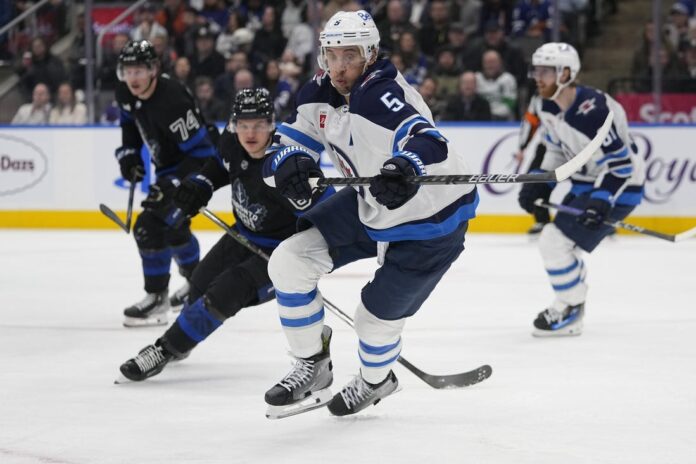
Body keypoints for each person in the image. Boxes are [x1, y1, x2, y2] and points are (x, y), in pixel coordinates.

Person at [261, 10, 479, 418]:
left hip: (430, 220)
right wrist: (288, 161)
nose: (339, 67)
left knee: (373, 322)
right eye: (332, 55)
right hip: (372, 201)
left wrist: (406, 165)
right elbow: (284, 146)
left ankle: (377, 381)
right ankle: (312, 364)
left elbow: (429, 140)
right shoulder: (318, 92)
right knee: (289, 261)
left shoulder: (379, 93)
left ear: (371, 54)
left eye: (350, 56)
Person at [118, 88, 333, 381]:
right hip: (243, 234)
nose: (250, 133)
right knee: (199, 283)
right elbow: (217, 168)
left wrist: (309, 252)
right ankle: (182, 342)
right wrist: (199, 185)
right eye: (243, 125)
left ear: (272, 124)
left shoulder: (288, 162)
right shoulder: (231, 141)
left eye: (258, 124)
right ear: (233, 125)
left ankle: (164, 349)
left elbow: (323, 213)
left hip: (281, 253)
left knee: (227, 290)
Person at [518, 43, 645, 337]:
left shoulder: (594, 111)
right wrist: (541, 182)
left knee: (553, 241)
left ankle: (571, 307)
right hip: (587, 184)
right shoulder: (546, 105)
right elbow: (555, 150)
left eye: (546, 71)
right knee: (557, 243)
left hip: (621, 187)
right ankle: (572, 298)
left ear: (565, 73)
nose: (538, 77)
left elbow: (621, 166)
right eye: (536, 70)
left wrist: (602, 199)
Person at [114, 40, 220, 327]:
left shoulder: (172, 100)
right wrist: (129, 157)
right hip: (168, 168)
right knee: (174, 228)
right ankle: (197, 284)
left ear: (153, 69)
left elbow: (204, 153)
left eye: (139, 70)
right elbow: (130, 125)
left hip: (195, 167)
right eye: (128, 71)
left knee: (149, 226)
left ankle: (157, 298)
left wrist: (174, 182)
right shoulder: (125, 92)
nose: (133, 78)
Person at [514, 93, 549, 235]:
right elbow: (530, 123)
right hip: (548, 148)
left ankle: (597, 216)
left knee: (584, 182)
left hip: (575, 148)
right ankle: (542, 220)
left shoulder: (575, 95)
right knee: (531, 190)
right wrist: (522, 147)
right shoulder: (538, 99)